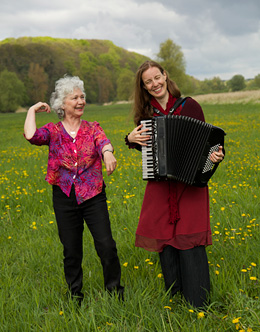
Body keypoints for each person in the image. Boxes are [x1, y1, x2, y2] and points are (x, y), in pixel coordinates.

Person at [125, 60, 224, 308]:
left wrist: (214, 156)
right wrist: (130, 138)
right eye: (148, 81)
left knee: (190, 238)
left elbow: (207, 143)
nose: (155, 84)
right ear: (144, 87)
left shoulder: (189, 106)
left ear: (165, 76)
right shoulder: (146, 115)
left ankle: (198, 300)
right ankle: (174, 296)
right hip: (160, 185)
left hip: (189, 184)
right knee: (165, 239)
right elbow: (141, 142)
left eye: (157, 77)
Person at [24, 75, 123, 304]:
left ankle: (115, 292)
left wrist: (108, 152)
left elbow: (103, 142)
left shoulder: (92, 128)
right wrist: (32, 110)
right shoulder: (53, 131)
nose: (80, 101)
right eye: (74, 97)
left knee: (106, 245)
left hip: (93, 195)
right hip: (64, 196)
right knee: (71, 250)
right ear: (62, 104)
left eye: (82, 96)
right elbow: (31, 136)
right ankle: (75, 295)